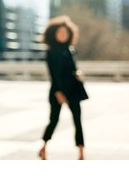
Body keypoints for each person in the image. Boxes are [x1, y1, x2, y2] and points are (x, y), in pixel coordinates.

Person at [38, 16, 88, 160]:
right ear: (53, 34)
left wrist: (78, 74)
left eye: (65, 33)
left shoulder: (70, 50)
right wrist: (59, 92)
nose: (63, 35)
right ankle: (43, 147)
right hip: (57, 91)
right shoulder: (51, 52)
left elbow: (73, 69)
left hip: (73, 90)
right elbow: (53, 75)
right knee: (53, 120)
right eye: (60, 32)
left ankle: (81, 153)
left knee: (77, 121)